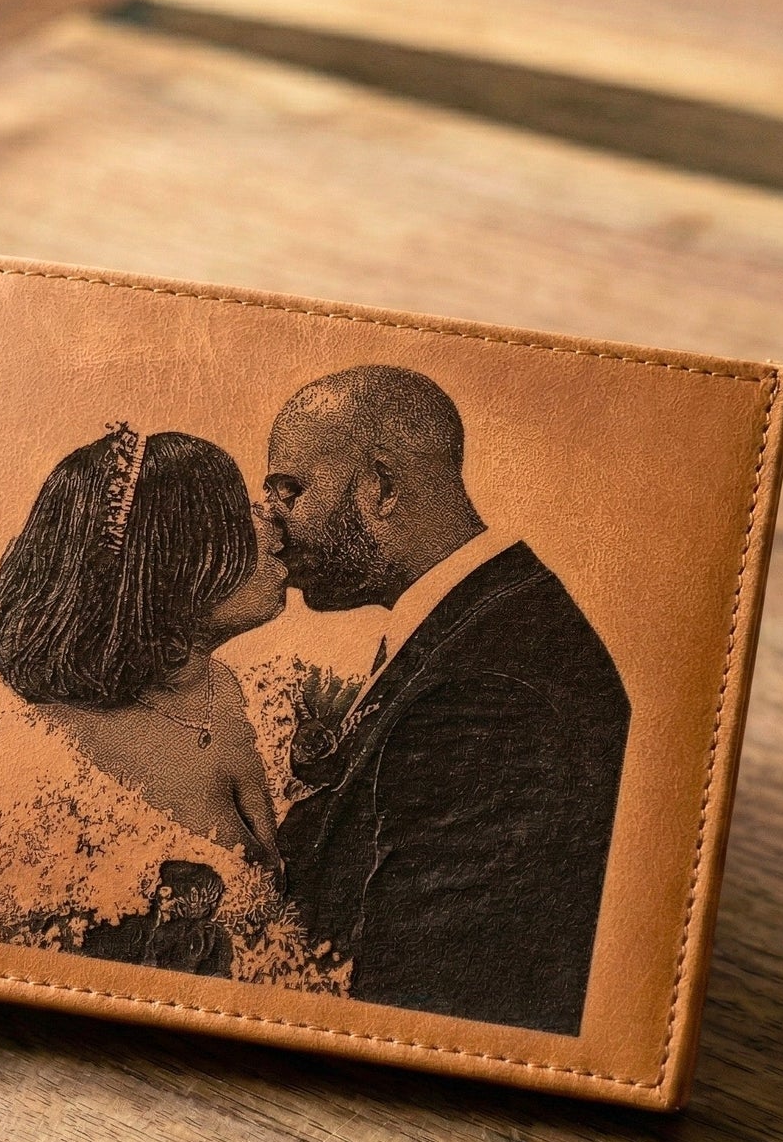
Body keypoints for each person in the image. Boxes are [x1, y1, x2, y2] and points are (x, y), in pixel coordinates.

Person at [265, 365, 630, 1035]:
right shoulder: (487, 622)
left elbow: (427, 996)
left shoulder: (488, 689)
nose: (273, 523)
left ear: (382, 486)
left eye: (291, 490)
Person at [0, 423, 288, 875]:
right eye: (234, 513)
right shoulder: (50, 757)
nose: (267, 517)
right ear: (171, 570)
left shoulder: (220, 689)